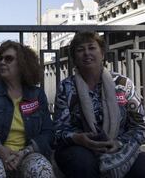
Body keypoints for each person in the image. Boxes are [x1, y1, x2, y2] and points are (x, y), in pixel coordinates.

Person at [53, 31, 145, 178]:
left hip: (120, 146)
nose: (86, 53)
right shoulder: (66, 87)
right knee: (83, 163)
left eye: (91, 48)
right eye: (80, 50)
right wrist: (78, 138)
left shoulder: (122, 84)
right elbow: (59, 130)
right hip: (79, 147)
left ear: (102, 54)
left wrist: (118, 143)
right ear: (74, 58)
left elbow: (140, 125)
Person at [0, 40, 55, 178]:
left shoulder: (37, 94)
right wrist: (0, 149)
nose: (2, 62)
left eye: (9, 58)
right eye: (0, 58)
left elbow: (48, 132)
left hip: (28, 154)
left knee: (43, 172)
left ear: (22, 64)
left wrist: (24, 152)